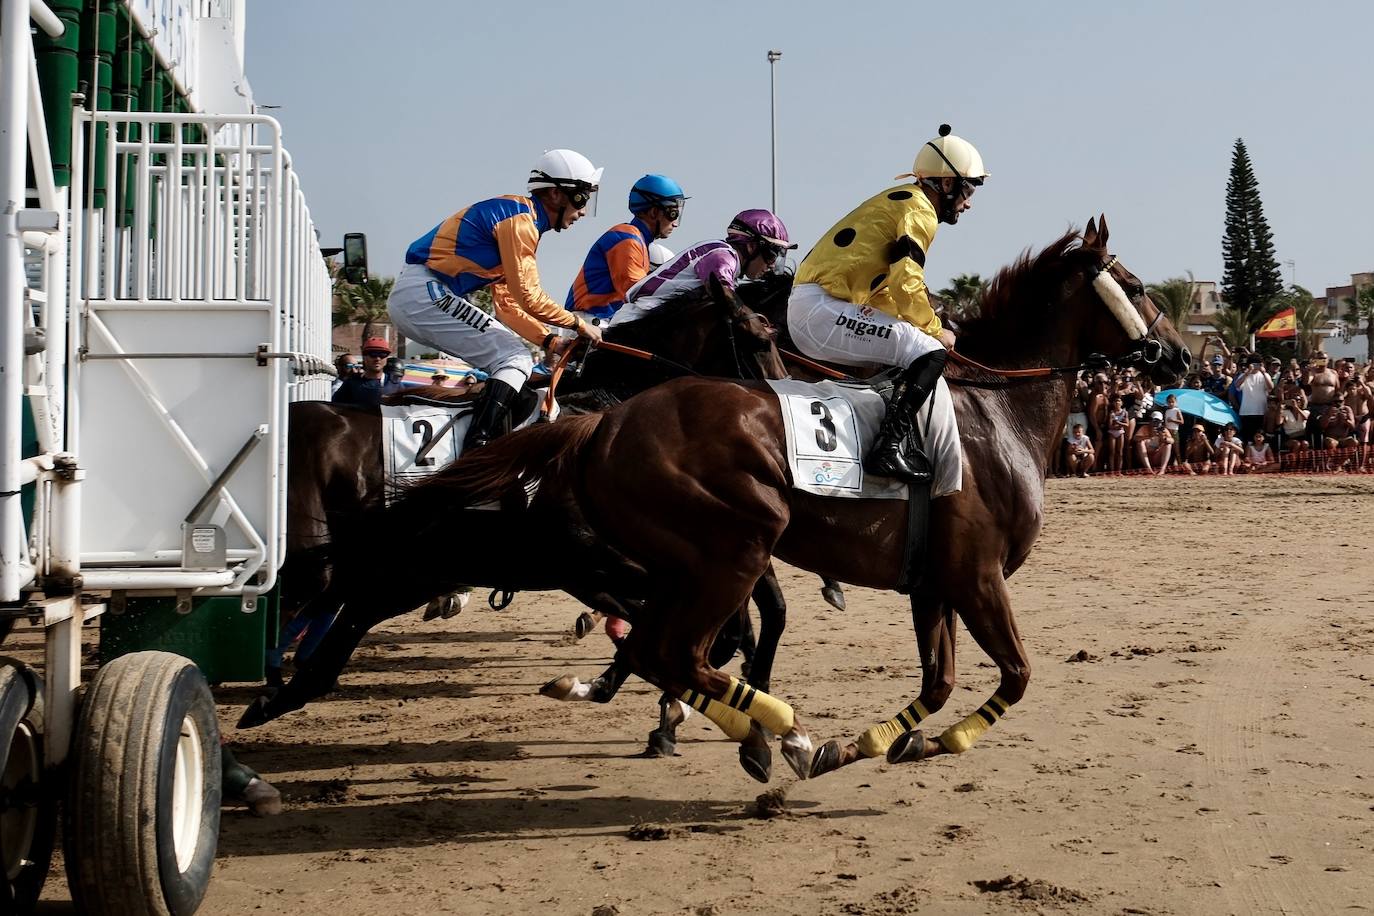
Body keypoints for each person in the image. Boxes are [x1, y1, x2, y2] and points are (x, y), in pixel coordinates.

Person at [786, 124, 987, 481]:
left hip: (819, 305)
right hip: (819, 309)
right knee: (929, 353)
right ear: (945, 184)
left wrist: (914, 323)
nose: (969, 201)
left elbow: (888, 291)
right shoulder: (920, 211)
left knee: (911, 345)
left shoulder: (905, 200)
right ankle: (888, 449)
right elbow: (907, 282)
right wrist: (936, 330)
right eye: (968, 188)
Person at [387, 149, 605, 450]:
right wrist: (578, 324)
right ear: (556, 194)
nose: (583, 211)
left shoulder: (520, 221)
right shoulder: (521, 222)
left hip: (421, 292)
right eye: (582, 197)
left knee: (514, 358)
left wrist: (551, 342)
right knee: (514, 358)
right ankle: (479, 447)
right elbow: (528, 296)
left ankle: (482, 435)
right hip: (424, 292)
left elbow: (508, 306)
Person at [610, 208, 795, 325]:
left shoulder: (725, 257)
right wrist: (756, 326)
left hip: (654, 323)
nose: (771, 265)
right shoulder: (723, 255)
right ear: (751, 246)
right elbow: (725, 296)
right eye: (771, 254)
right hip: (637, 322)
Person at [566, 174, 687, 324]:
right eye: (672, 214)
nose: (675, 223)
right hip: (592, 322)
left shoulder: (637, 240)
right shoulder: (628, 239)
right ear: (654, 212)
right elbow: (639, 293)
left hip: (601, 321)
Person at [331, 337, 391, 407]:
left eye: (382, 354)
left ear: (387, 358)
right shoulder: (351, 384)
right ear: (364, 357)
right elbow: (335, 410)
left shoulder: (394, 384)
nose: (377, 359)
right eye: (373, 354)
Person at [1235, 354, 1273, 442]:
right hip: (1246, 412)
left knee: (1260, 438)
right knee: (1247, 438)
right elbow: (1237, 386)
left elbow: (1271, 387)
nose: (1256, 366)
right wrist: (1247, 373)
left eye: (1258, 364)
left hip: (1261, 411)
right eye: (1254, 364)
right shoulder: (1243, 375)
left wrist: (1263, 372)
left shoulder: (1265, 375)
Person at [1136, 410, 1174, 475]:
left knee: (1168, 445)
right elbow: (1135, 438)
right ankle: (1148, 469)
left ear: (1161, 422)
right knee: (1140, 443)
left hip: (1157, 457)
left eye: (1158, 421)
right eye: (1154, 421)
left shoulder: (1163, 430)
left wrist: (1164, 438)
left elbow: (1172, 440)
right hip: (1146, 457)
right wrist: (1149, 436)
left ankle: (1162, 470)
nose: (1155, 423)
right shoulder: (1145, 428)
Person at [1106, 395, 1129, 473]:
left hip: (1120, 432)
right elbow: (1109, 425)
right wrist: (1118, 425)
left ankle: (1119, 471)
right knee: (1112, 451)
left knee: (1120, 452)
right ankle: (1112, 470)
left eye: (1119, 401)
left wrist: (1118, 423)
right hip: (1112, 432)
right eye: (1115, 401)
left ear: (1121, 403)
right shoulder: (1111, 413)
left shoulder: (1125, 412)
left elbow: (1127, 424)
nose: (1117, 403)